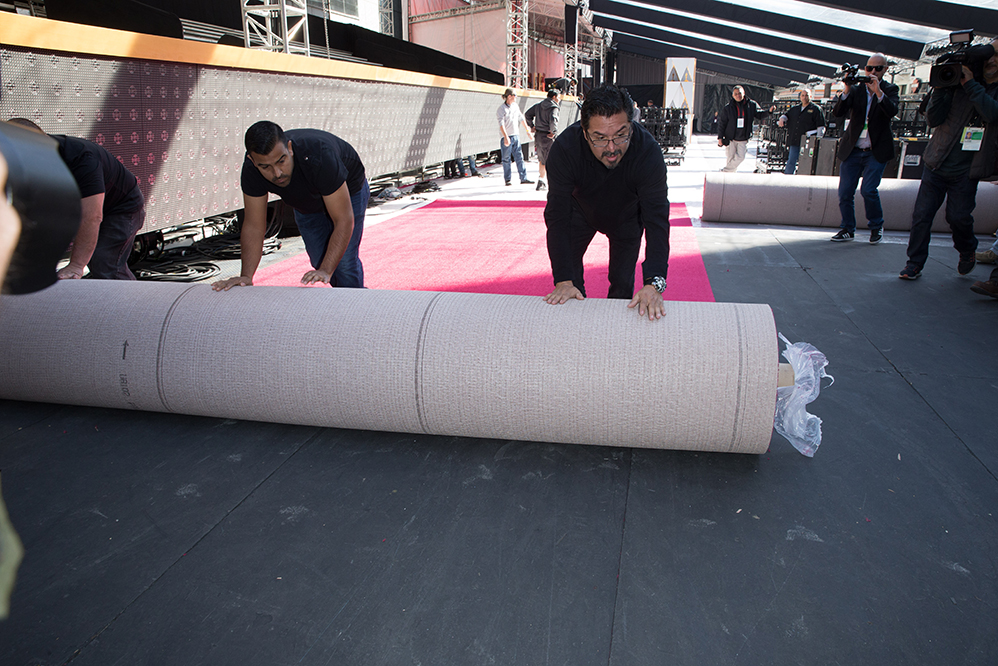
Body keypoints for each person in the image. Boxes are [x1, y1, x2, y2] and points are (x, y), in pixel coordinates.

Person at [543, 84, 670, 321]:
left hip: (627, 215)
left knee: (622, 283)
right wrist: (563, 280)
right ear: (584, 131)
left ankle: (616, 335)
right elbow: (557, 217)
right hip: (579, 212)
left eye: (621, 135)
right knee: (571, 283)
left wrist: (655, 283)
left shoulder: (647, 152)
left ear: (631, 125)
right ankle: (577, 328)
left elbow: (657, 221)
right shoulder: (565, 149)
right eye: (599, 138)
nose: (611, 148)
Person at [213, 121, 368, 291]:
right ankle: (343, 295)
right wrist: (246, 276)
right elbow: (254, 225)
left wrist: (326, 270)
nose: (277, 173)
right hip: (306, 202)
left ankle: (356, 305)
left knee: (344, 262)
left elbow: (343, 220)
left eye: (281, 161)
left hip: (348, 191)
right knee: (320, 258)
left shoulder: (319, 155)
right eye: (265, 167)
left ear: (290, 148)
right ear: (253, 160)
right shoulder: (251, 170)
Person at [900, 44, 998, 280]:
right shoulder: (954, 84)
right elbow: (933, 119)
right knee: (922, 215)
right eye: (990, 55)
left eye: (996, 56)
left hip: (967, 168)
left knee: (958, 217)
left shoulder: (987, 88)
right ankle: (914, 263)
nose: (992, 60)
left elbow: (993, 114)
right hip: (937, 161)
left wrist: (970, 84)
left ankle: (967, 249)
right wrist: (941, 87)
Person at [7, 118, 145, 280]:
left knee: (104, 262)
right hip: (79, 204)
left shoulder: (81, 158)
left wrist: (76, 266)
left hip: (121, 207)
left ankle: (130, 303)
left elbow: (92, 217)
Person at [829, 53, 900, 244]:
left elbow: (892, 111)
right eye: (869, 68)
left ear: (885, 70)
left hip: (875, 151)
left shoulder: (890, 89)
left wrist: (878, 92)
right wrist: (846, 89)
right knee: (845, 191)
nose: (873, 72)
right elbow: (838, 112)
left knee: (868, 190)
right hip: (853, 149)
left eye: (878, 68)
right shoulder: (856, 90)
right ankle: (847, 228)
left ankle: (876, 227)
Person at [716, 86, 775, 172]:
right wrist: (720, 138)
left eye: (739, 93)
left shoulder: (751, 105)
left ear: (743, 93)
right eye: (736, 94)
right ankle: (729, 178)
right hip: (731, 138)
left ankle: (725, 171)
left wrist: (769, 112)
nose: (738, 95)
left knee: (741, 157)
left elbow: (759, 115)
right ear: (733, 95)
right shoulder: (728, 108)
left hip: (743, 137)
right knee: (730, 158)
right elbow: (722, 123)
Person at [778, 89, 825, 174]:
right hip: (795, 140)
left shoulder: (816, 109)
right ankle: (786, 180)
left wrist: (818, 140)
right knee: (791, 161)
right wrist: (782, 119)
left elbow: (821, 126)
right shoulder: (795, 109)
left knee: (807, 162)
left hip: (808, 141)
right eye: (802, 95)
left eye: (806, 95)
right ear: (800, 97)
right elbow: (786, 115)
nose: (804, 97)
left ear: (810, 96)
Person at [497, 88, 535, 186]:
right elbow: (501, 124)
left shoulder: (515, 106)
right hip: (507, 136)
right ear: (509, 96)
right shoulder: (501, 109)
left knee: (519, 157)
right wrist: (505, 137)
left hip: (516, 135)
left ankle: (523, 177)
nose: (516, 97)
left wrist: (527, 130)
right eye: (515, 95)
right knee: (506, 158)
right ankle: (508, 179)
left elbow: (521, 118)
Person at [525, 89, 561, 191]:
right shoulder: (553, 107)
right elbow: (553, 120)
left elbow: (527, 114)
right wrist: (553, 132)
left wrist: (531, 126)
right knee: (552, 159)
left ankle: (541, 181)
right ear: (554, 97)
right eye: (558, 97)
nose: (559, 99)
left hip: (539, 135)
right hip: (548, 136)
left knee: (541, 159)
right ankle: (552, 183)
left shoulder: (539, 105)